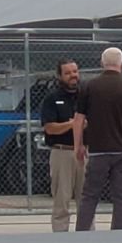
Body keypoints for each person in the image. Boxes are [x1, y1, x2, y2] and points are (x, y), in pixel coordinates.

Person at [74, 46, 122, 231]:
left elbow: (78, 120)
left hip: (98, 150)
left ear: (102, 63)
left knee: (90, 196)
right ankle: (118, 233)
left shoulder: (89, 86)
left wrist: (79, 145)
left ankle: (81, 233)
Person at [40, 59, 83, 231]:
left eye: (75, 71)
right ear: (60, 76)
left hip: (84, 152)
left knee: (86, 199)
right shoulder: (52, 99)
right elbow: (50, 128)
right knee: (62, 198)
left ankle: (88, 235)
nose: (73, 75)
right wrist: (72, 124)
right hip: (62, 153)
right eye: (68, 73)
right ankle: (60, 235)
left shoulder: (86, 95)